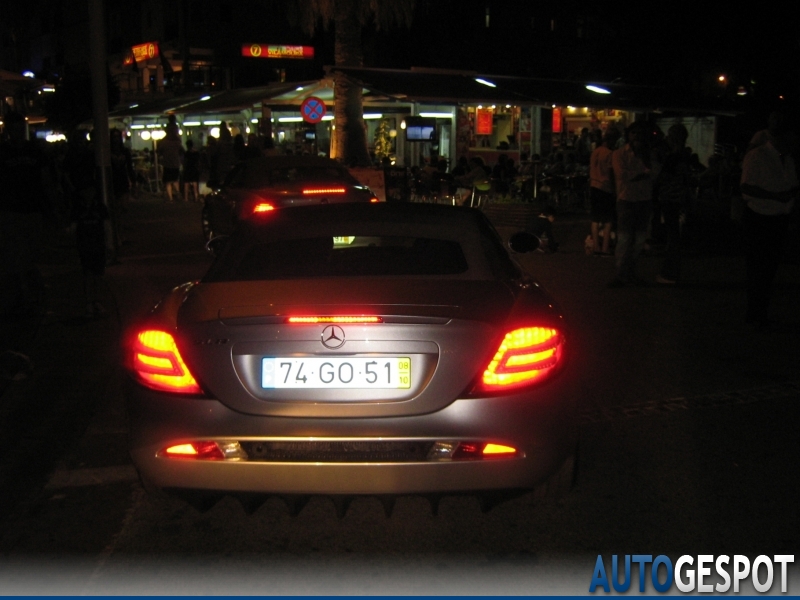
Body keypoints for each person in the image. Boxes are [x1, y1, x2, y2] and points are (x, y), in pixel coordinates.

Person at [739, 121, 798, 327]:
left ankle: (760, 314)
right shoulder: (757, 155)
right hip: (760, 216)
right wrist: (775, 196)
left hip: (778, 217)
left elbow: (790, 185)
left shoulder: (787, 158)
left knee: (769, 269)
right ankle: (754, 314)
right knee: (758, 268)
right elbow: (746, 187)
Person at [0, 111, 49, 316]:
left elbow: (45, 178)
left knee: (30, 254)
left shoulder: (35, 151)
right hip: (11, 209)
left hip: (32, 208)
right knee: (16, 255)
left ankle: (29, 292)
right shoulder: (3, 152)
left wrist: (51, 204)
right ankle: (26, 294)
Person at [609, 121, 659, 287]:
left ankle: (631, 271)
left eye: (640, 133)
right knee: (624, 238)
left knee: (639, 239)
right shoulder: (619, 153)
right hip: (626, 200)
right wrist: (642, 174)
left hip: (644, 199)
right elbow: (622, 174)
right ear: (628, 135)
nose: (637, 136)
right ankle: (621, 273)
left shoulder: (648, 155)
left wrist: (641, 174)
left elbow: (654, 173)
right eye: (633, 133)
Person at [654, 124, 694, 285]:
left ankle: (670, 273)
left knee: (672, 237)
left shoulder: (673, 157)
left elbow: (662, 178)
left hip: (671, 199)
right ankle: (672, 272)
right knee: (675, 235)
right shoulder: (685, 155)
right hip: (680, 199)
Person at [71, 181, 109, 318]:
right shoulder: (78, 208)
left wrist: (108, 244)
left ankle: (97, 301)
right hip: (85, 245)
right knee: (87, 274)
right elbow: (73, 227)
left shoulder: (99, 207)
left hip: (98, 244)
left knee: (98, 275)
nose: (89, 193)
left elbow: (106, 226)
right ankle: (88, 303)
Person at [589, 127, 620, 256]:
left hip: (594, 185)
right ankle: (605, 248)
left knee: (595, 219)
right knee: (608, 220)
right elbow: (612, 172)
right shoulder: (610, 154)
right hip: (606, 188)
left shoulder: (596, 151)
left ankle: (596, 246)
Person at [158, 127, 184, 202]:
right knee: (175, 180)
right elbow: (182, 151)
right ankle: (178, 192)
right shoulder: (177, 142)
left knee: (168, 182)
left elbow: (159, 151)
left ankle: (170, 198)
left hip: (167, 163)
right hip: (176, 163)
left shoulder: (164, 142)